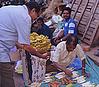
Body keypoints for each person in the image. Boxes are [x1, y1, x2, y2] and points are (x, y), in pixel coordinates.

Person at [0, 1, 48, 87]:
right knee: (7, 77)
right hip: (1, 49)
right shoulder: (25, 17)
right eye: (36, 16)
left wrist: (18, 44)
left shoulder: (12, 9)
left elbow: (8, 30)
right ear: (33, 11)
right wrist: (40, 55)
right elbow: (27, 46)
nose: (35, 19)